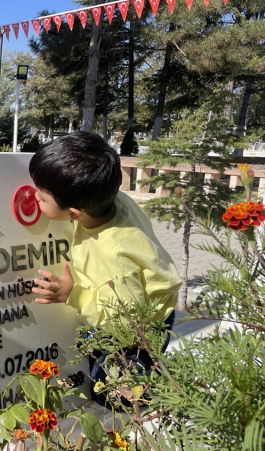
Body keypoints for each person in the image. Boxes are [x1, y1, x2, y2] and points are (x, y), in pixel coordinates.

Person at [28, 132, 180, 407]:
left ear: (75, 213)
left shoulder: (112, 256)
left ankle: (159, 397)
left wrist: (75, 295)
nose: (34, 197)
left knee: (112, 395)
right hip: (130, 299)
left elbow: (127, 322)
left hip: (138, 330)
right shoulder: (112, 201)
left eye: (41, 197)